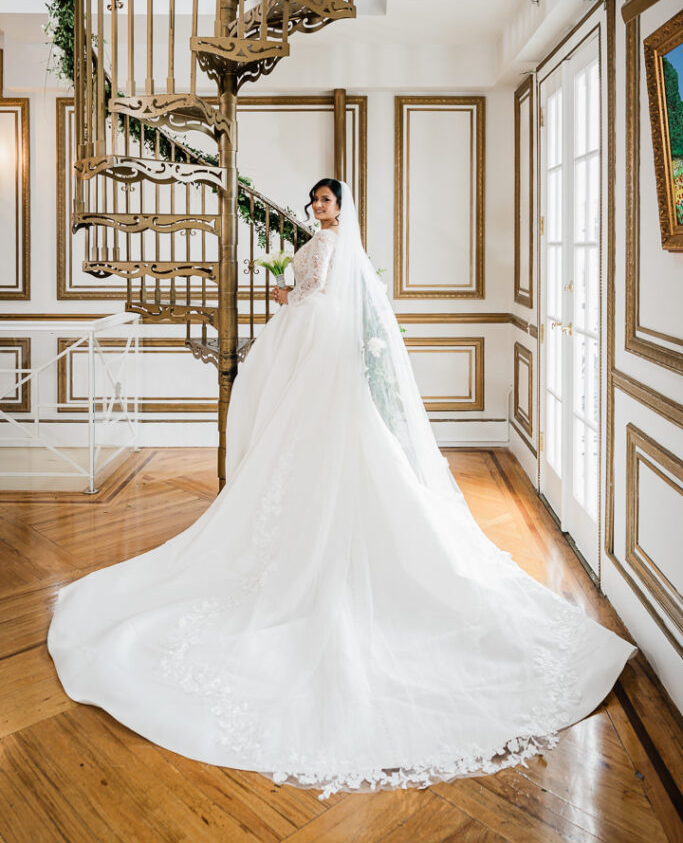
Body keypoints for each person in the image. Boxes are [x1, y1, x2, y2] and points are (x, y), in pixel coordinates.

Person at [48, 178, 636, 800]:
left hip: (313, 335)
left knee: (306, 433)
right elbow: (316, 290)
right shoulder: (327, 242)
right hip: (318, 338)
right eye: (316, 203)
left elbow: (312, 290)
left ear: (339, 207)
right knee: (307, 436)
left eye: (327, 202)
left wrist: (285, 290)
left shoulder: (327, 246)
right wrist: (289, 289)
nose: (319, 210)